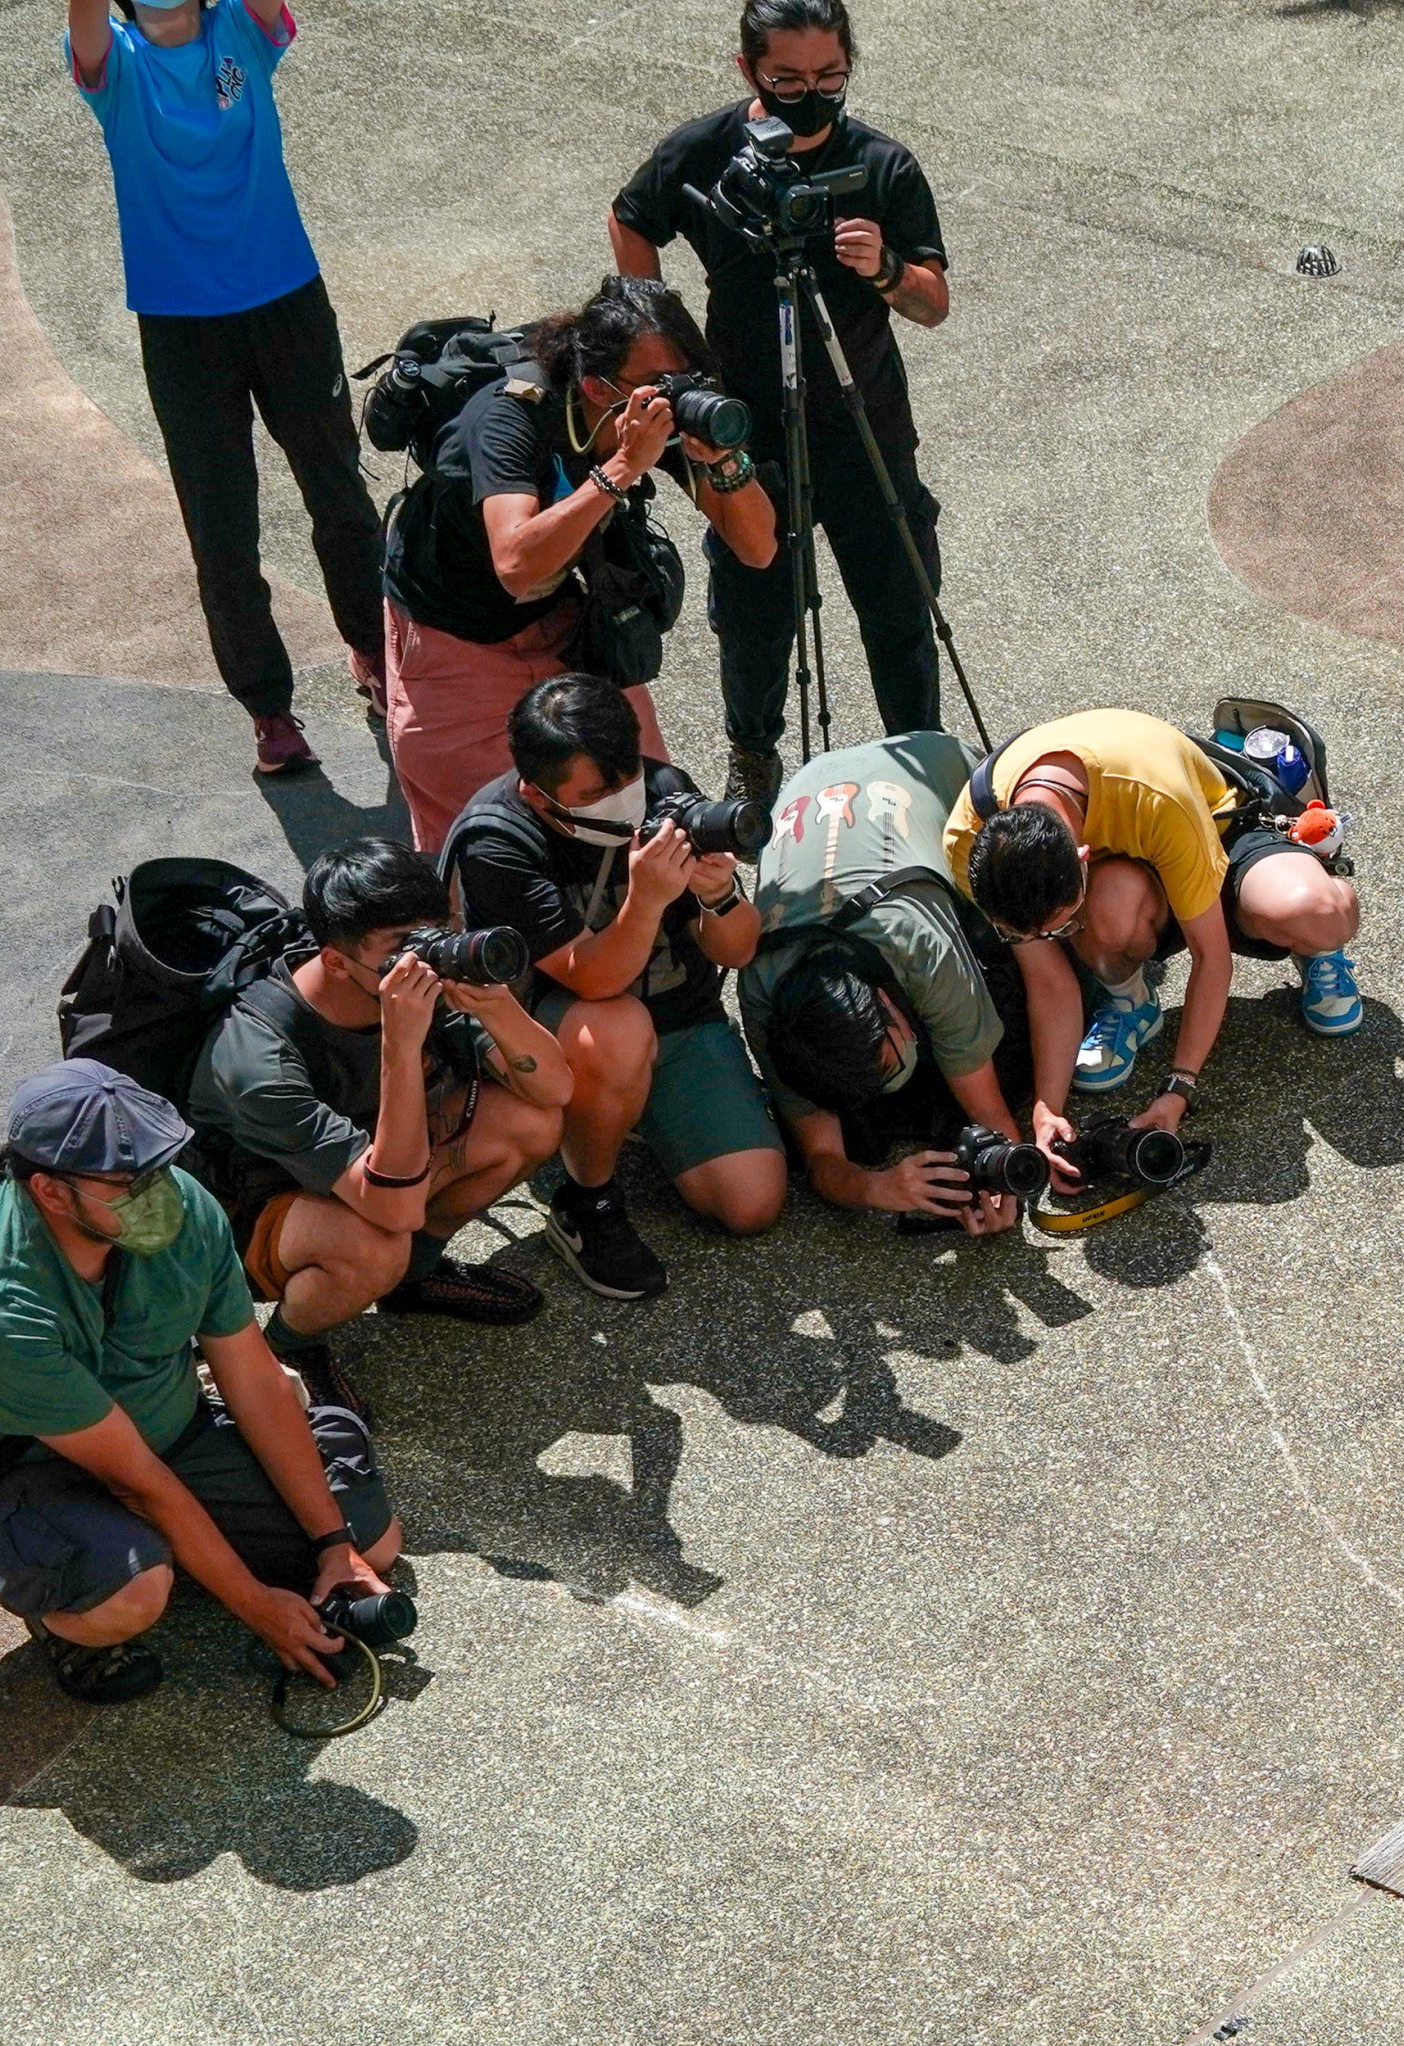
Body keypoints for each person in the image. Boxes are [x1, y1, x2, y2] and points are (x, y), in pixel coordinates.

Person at [0, 1061, 398, 1704]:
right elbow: (133, 1479)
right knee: (130, 1598)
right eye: (128, 1181)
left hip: (165, 1432)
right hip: (27, 1468)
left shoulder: (182, 1209)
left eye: (160, 1166)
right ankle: (66, 1602)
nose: (159, 1191)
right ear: (52, 1192)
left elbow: (252, 1379)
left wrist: (333, 1544)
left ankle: (174, 1548)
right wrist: (254, 1606)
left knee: (371, 1546)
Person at [610, 0, 951, 815]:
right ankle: (753, 757)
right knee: (759, 618)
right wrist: (666, 345)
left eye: (831, 77)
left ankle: (924, 761)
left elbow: (933, 304)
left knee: (900, 609)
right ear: (747, 71)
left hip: (866, 428)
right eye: (787, 79)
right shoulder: (700, 152)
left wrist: (886, 270)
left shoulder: (881, 165)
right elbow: (631, 217)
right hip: (744, 434)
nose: (813, 95)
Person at [61, 0, 387, 779]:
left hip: (287, 301)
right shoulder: (116, 65)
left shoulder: (243, 31)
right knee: (222, 527)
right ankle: (268, 709)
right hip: (181, 329)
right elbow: (83, 23)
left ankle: (376, 654)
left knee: (337, 490)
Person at [376, 274, 778, 848]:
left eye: (690, 380)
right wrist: (621, 470)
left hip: (564, 624)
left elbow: (758, 547)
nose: (677, 398)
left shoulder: (647, 416)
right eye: (659, 385)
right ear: (595, 386)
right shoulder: (508, 418)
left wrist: (724, 461)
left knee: (645, 800)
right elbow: (515, 562)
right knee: (474, 836)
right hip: (456, 631)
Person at [437, 675, 780, 1296]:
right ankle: (586, 1200)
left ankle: (624, 1109)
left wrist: (718, 895)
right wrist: (646, 900)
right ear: (536, 793)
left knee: (752, 1204)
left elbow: (740, 949)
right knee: (619, 1031)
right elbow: (592, 979)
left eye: (628, 780)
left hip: (680, 1017)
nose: (624, 801)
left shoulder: (667, 792)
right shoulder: (498, 841)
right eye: (597, 793)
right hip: (558, 1033)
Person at [188, 839, 574, 1335]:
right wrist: (401, 1045)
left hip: (368, 1165)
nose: (427, 957)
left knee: (529, 1123)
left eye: (436, 934)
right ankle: (289, 1346)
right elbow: (396, 1207)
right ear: (335, 962)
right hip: (248, 1206)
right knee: (377, 1244)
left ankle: (415, 1279)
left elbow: (554, 1090)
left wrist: (493, 1004)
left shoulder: (397, 982)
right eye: (402, 945)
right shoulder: (259, 1061)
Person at [942, 708, 1367, 1139]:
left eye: (1061, 928)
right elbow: (1049, 981)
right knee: (1108, 907)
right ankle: (1130, 1001)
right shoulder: (970, 842)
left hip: (1213, 828)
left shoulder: (1156, 799)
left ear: (1081, 858)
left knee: (1310, 911)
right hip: (1133, 873)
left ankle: (1318, 946)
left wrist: (1178, 1088)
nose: (1052, 942)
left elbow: (1212, 959)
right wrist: (1047, 1109)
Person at [739, 733, 1041, 1232]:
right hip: (812, 784)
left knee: (1023, 948)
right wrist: (878, 1188)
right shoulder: (762, 986)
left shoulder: (916, 941)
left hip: (945, 767)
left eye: (888, 1053)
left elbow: (990, 1110)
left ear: (885, 999)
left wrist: (1005, 1182)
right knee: (871, 1128)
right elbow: (821, 1156)